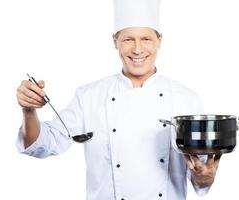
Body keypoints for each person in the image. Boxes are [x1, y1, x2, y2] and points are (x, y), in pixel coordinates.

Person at [16, 0, 221, 199]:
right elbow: (42, 144)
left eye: (146, 39)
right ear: (115, 41)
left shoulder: (186, 99)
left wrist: (205, 176)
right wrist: (28, 111)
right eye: (128, 39)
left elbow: (201, 175)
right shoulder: (89, 97)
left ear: (160, 40)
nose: (137, 49)